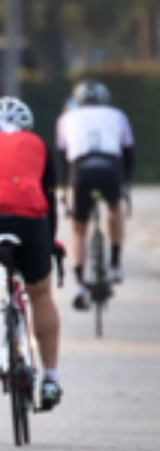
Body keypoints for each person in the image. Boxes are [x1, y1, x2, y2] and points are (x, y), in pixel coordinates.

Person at [0, 97, 65, 410]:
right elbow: (49, 198)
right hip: (29, 218)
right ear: (26, 127)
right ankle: (50, 377)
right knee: (40, 293)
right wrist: (50, 241)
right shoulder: (37, 144)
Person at [56, 80, 133, 306]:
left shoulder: (66, 118)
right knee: (115, 208)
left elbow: (63, 159)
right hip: (111, 166)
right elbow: (128, 153)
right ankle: (116, 264)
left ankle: (79, 283)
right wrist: (124, 186)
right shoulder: (117, 115)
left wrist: (66, 189)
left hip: (81, 168)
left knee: (78, 229)